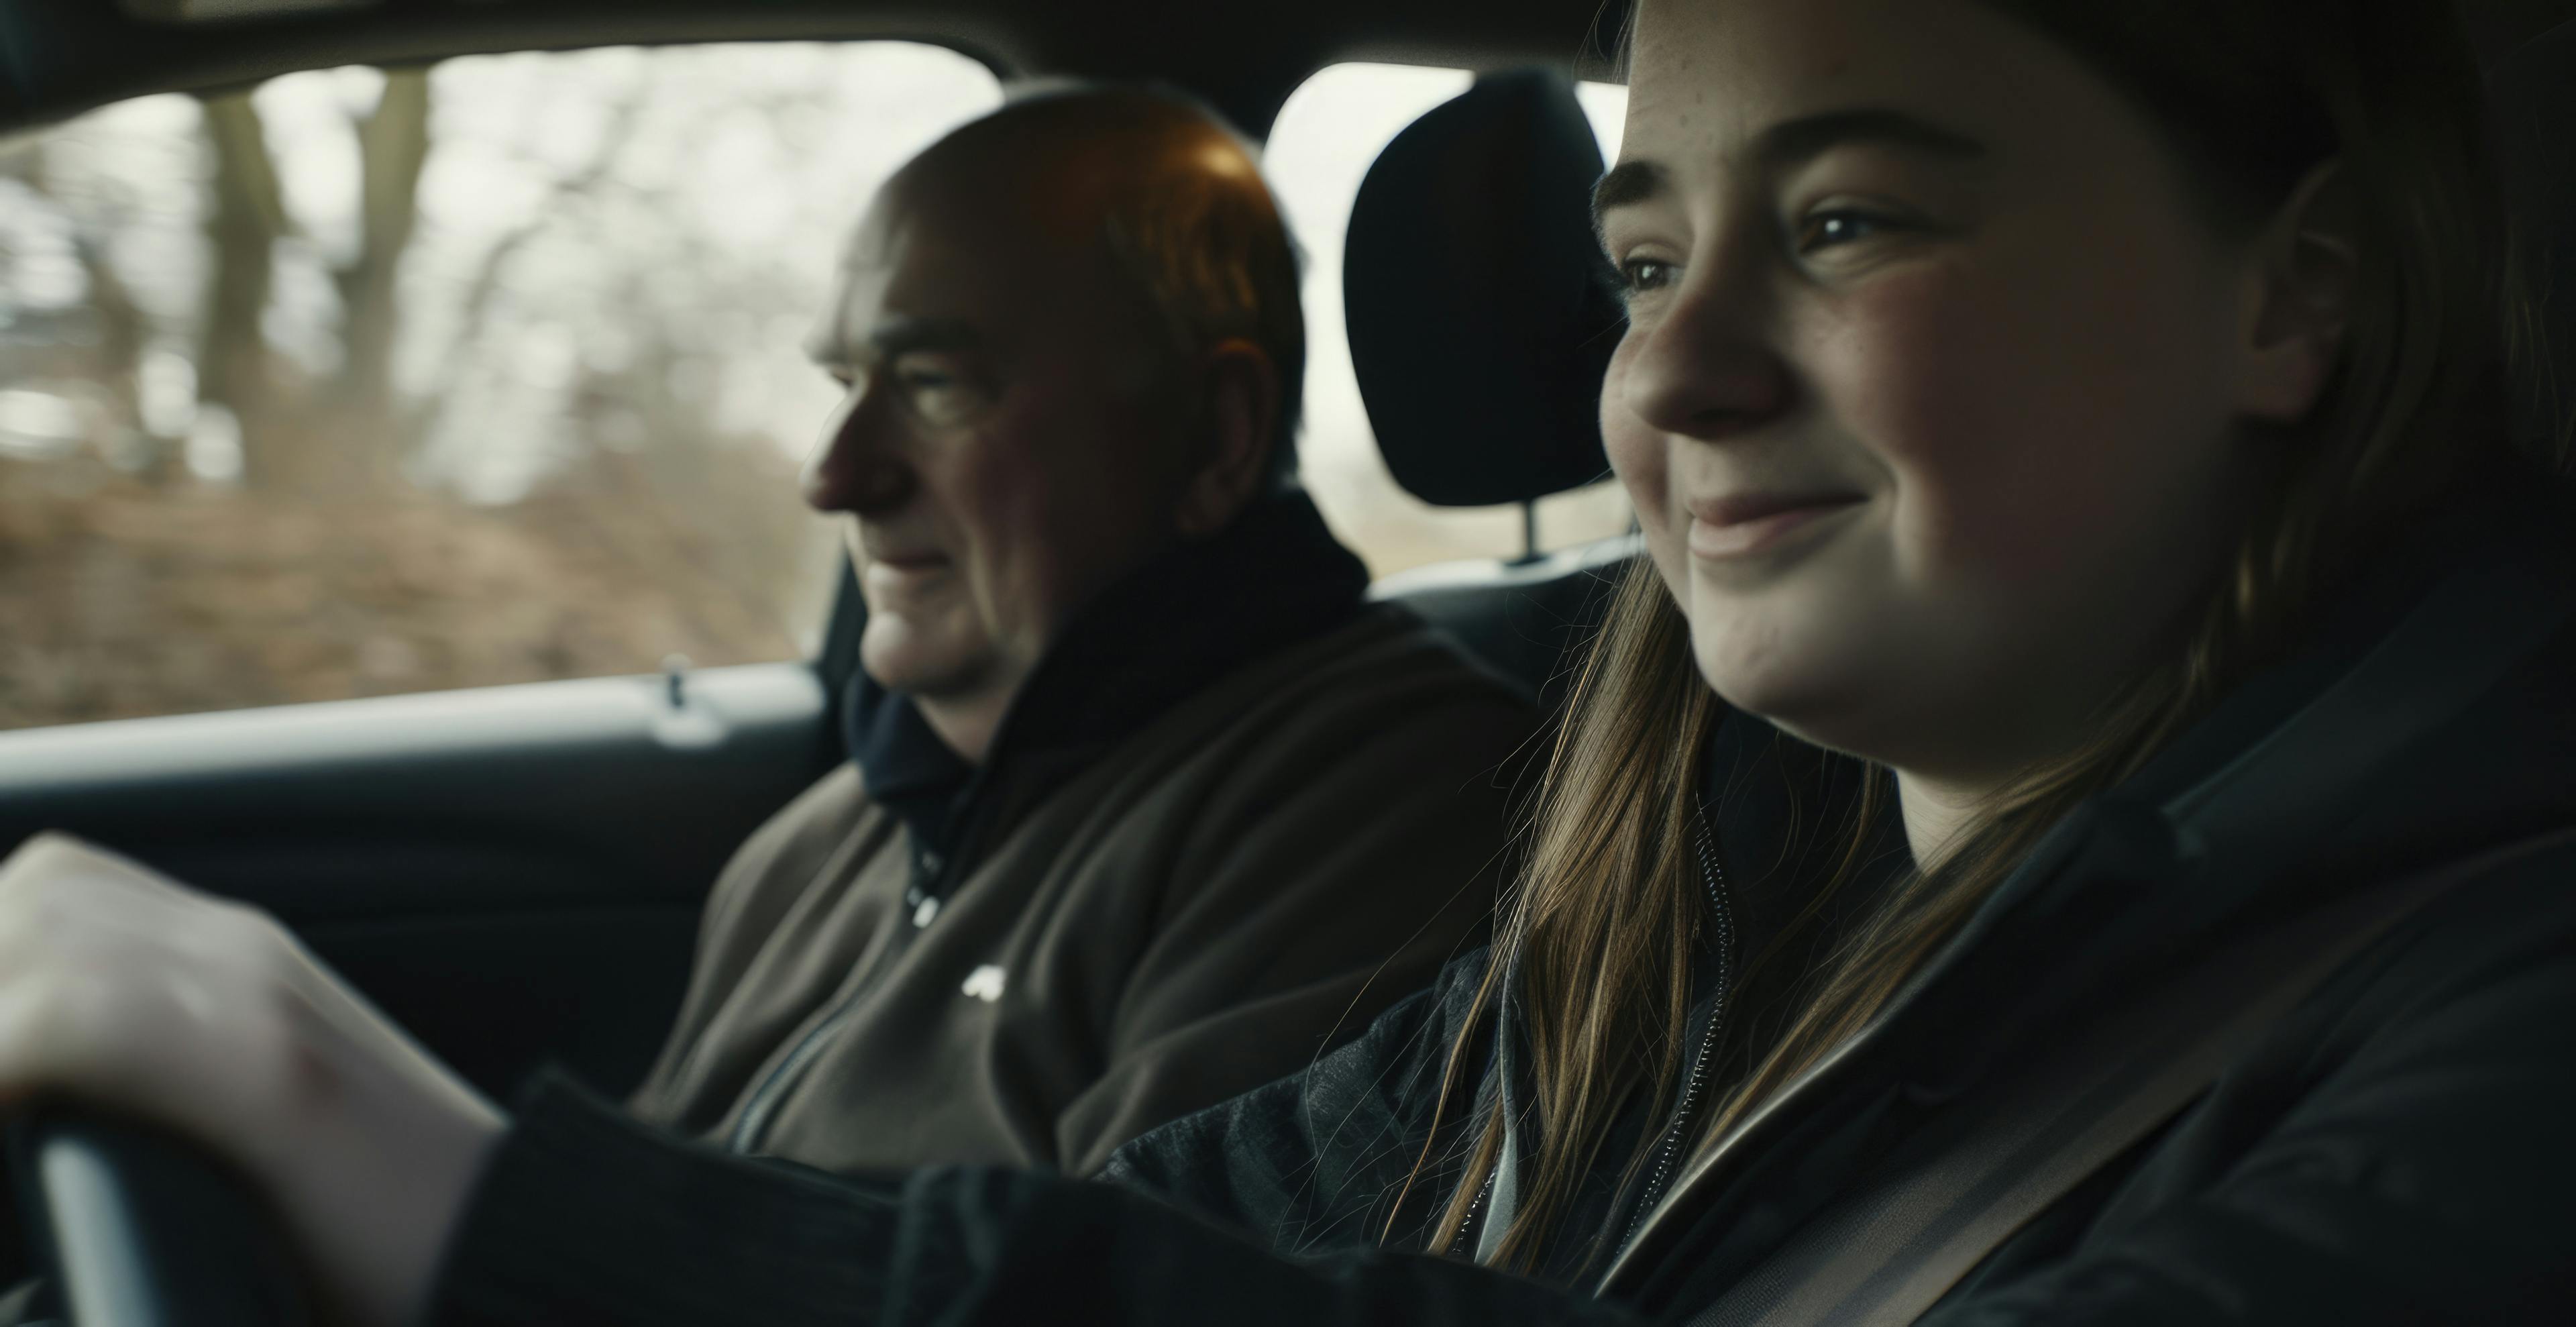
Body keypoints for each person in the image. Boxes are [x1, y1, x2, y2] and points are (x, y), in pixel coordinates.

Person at [1, 0, 2571, 1324]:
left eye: (1861, 220)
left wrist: (469, 1194)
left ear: (2293, 292)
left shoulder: (2497, 1028)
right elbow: (1163, 1255)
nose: (1669, 378)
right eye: (1648, 260)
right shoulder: (1676, 889)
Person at [612, 86, 1536, 1178]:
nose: (835, 476)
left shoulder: (1389, 808)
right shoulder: (816, 846)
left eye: (934, 382)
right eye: (845, 380)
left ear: (1217, 439)